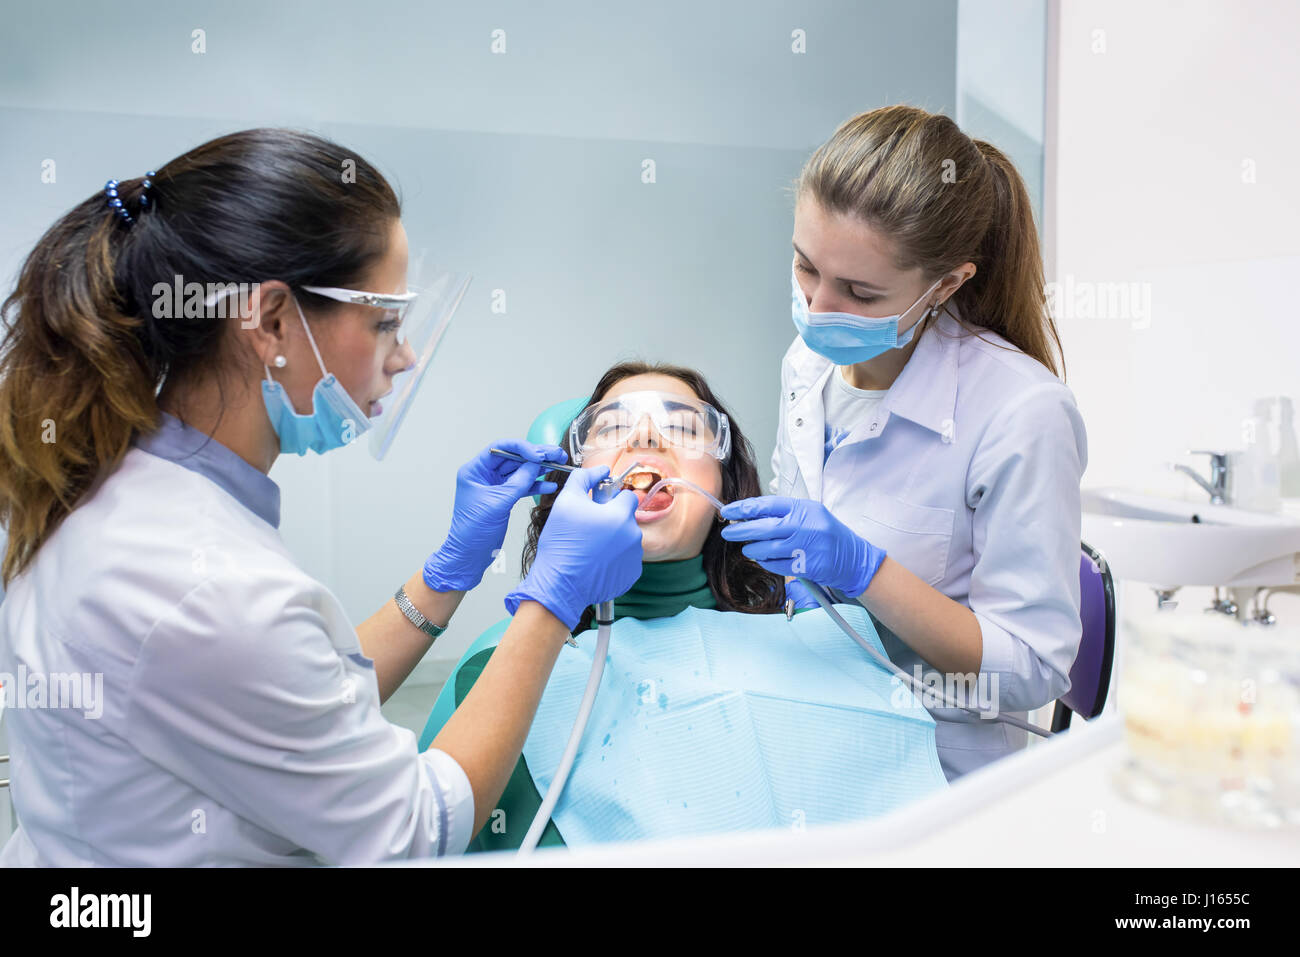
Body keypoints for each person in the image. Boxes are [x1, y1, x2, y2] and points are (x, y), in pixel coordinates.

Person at [0, 128, 642, 866]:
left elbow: (292, 702)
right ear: (272, 321)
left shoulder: (124, 485)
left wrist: (447, 573)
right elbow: (417, 829)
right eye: (384, 323)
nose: (402, 358)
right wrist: (552, 602)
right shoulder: (203, 584)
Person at [424, 362, 949, 851]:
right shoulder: (497, 665)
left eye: (682, 428)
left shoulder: (821, 639)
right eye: (610, 429)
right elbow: (418, 834)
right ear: (567, 483)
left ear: (725, 482)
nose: (646, 438)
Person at [720, 105, 1089, 780]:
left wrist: (868, 573)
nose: (820, 310)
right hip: (807, 723)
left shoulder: (1021, 412)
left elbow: (1034, 670)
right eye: (806, 269)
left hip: (934, 770)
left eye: (860, 291)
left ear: (946, 284)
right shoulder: (805, 368)